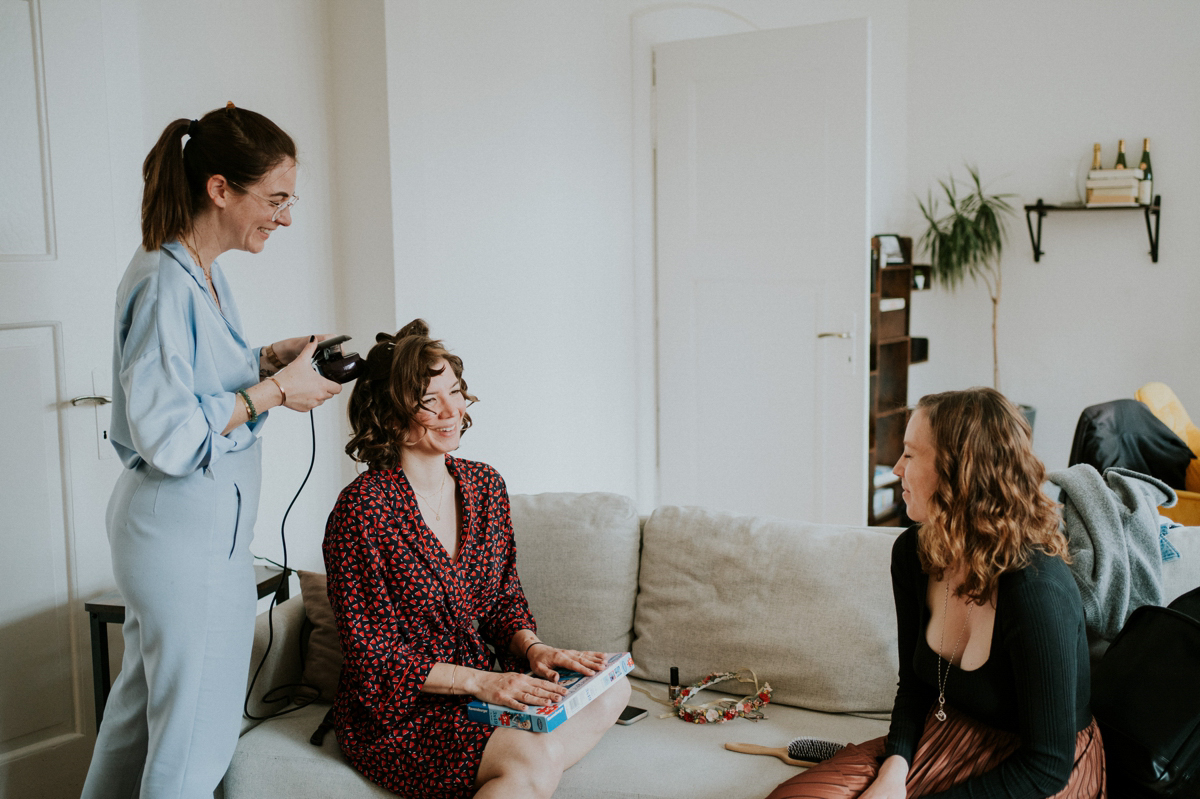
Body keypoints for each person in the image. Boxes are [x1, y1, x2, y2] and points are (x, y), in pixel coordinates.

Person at [82, 104, 341, 799]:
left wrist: (263, 358)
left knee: (139, 721)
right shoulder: (167, 281)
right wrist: (274, 393)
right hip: (181, 535)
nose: (285, 219)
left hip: (190, 532)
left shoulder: (199, 270)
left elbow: (191, 380)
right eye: (275, 200)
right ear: (220, 188)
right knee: (194, 740)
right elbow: (169, 432)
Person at [323, 320, 629, 799]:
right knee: (535, 758)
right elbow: (374, 659)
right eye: (430, 400)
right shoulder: (362, 510)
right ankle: (524, 766)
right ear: (390, 412)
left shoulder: (485, 485)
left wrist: (533, 648)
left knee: (613, 687)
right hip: (405, 709)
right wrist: (482, 684)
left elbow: (503, 597)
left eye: (456, 391)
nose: (453, 410)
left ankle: (518, 770)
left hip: (489, 680)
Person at [767, 388, 1104, 799]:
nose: (895, 469)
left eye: (909, 455)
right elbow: (914, 688)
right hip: (947, 736)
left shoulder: (1036, 590)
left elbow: (1046, 766)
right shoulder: (912, 554)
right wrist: (892, 774)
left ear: (958, 470)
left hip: (1038, 771)